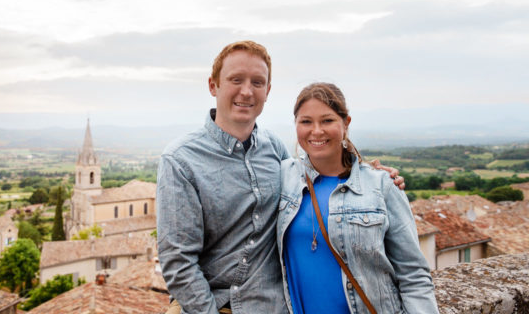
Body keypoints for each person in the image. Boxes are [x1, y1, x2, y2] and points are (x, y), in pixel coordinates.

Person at [157, 41, 404, 314]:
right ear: (213, 86)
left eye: (257, 82)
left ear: (268, 91)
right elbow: (178, 261)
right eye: (236, 80)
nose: (247, 91)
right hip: (216, 306)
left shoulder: (274, 148)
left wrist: (372, 175)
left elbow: (317, 175)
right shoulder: (180, 160)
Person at [277, 82, 438, 314]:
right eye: (306, 122)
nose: (316, 130)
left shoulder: (381, 186)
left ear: (346, 124)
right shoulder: (282, 177)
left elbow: (413, 274)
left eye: (327, 120)